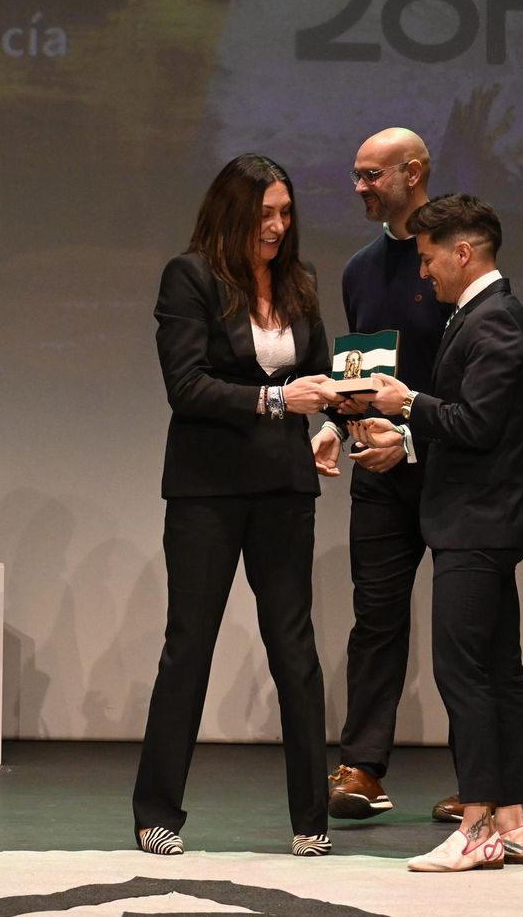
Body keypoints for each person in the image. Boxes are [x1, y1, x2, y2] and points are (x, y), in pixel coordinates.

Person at [132, 153, 343, 858]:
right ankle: (156, 811)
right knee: (189, 645)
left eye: (285, 213)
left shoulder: (300, 283)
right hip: (208, 491)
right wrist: (279, 399)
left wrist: (335, 428)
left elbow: (322, 376)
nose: (278, 227)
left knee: (295, 649)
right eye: (265, 215)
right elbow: (185, 387)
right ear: (234, 214)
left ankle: (312, 819)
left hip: (285, 486)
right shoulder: (189, 277)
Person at [356, 193, 523, 872]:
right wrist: (407, 437)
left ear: (464, 252)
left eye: (431, 258)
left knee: (462, 674)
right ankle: (513, 823)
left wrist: (407, 404)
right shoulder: (484, 317)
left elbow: (478, 426)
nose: (424, 273)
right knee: (496, 671)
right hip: (482, 518)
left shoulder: (496, 323)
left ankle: (476, 827)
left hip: (478, 523)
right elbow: (468, 429)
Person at [314, 128, 457, 824]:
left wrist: (412, 435)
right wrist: (337, 426)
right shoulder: (359, 270)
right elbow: (361, 373)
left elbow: (471, 384)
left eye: (372, 175)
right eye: (356, 174)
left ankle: (482, 781)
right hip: (379, 473)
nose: (360, 187)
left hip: (451, 468)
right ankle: (364, 768)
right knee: (376, 621)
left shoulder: (456, 266)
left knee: (468, 628)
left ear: (414, 172)